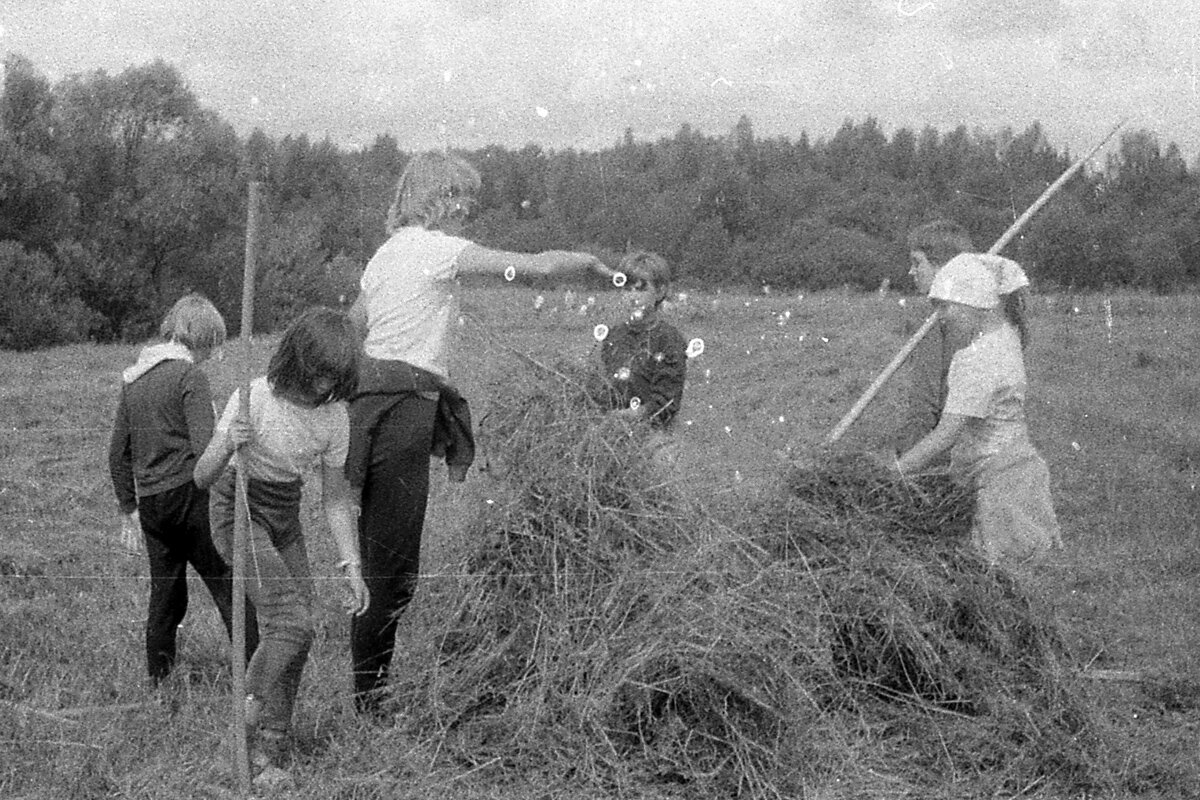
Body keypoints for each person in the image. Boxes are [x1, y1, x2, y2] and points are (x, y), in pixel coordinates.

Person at [345, 150, 625, 715]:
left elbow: (353, 328)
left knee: (379, 550)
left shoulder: (385, 255)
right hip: (403, 412)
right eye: (462, 199)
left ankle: (368, 689)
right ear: (439, 200)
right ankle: (371, 702)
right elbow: (534, 268)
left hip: (368, 409)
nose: (468, 210)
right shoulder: (436, 248)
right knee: (394, 564)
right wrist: (589, 263)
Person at [195, 307, 370, 773]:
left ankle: (272, 744)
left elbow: (335, 501)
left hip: (283, 516)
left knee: (304, 625)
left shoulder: (335, 419)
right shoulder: (252, 399)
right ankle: (235, 747)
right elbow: (201, 476)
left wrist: (352, 566)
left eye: (332, 379)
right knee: (289, 622)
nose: (320, 387)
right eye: (316, 374)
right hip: (238, 510)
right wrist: (230, 442)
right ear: (295, 359)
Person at [107, 293, 258, 686]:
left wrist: (129, 506)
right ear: (202, 337)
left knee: (166, 597)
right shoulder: (190, 376)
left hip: (153, 506)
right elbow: (205, 446)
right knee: (230, 587)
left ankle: (159, 682)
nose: (213, 354)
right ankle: (255, 679)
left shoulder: (134, 379)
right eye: (213, 344)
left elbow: (116, 453)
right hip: (191, 498)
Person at [894, 253, 1063, 565]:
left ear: (974, 301)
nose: (939, 317)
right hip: (1019, 466)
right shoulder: (1007, 337)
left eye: (946, 305)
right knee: (1019, 567)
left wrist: (895, 473)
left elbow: (945, 435)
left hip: (996, 479)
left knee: (998, 571)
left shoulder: (976, 360)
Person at [894, 220, 975, 459]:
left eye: (917, 262)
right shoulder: (986, 317)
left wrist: (905, 464)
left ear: (944, 268)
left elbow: (924, 404)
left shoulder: (931, 321)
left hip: (943, 453)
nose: (911, 271)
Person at [599, 250, 687, 431]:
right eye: (627, 289)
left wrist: (629, 416)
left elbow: (666, 403)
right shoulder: (613, 336)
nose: (633, 296)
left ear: (660, 291)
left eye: (641, 289)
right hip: (612, 429)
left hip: (653, 431)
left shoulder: (669, 340)